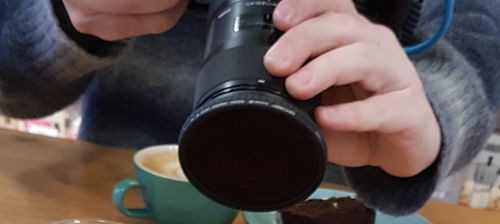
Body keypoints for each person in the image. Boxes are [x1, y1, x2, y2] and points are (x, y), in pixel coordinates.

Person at [0, 0, 499, 213]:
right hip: (124, 216)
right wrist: (60, 21)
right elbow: (12, 84)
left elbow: (480, 31)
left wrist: (435, 109)